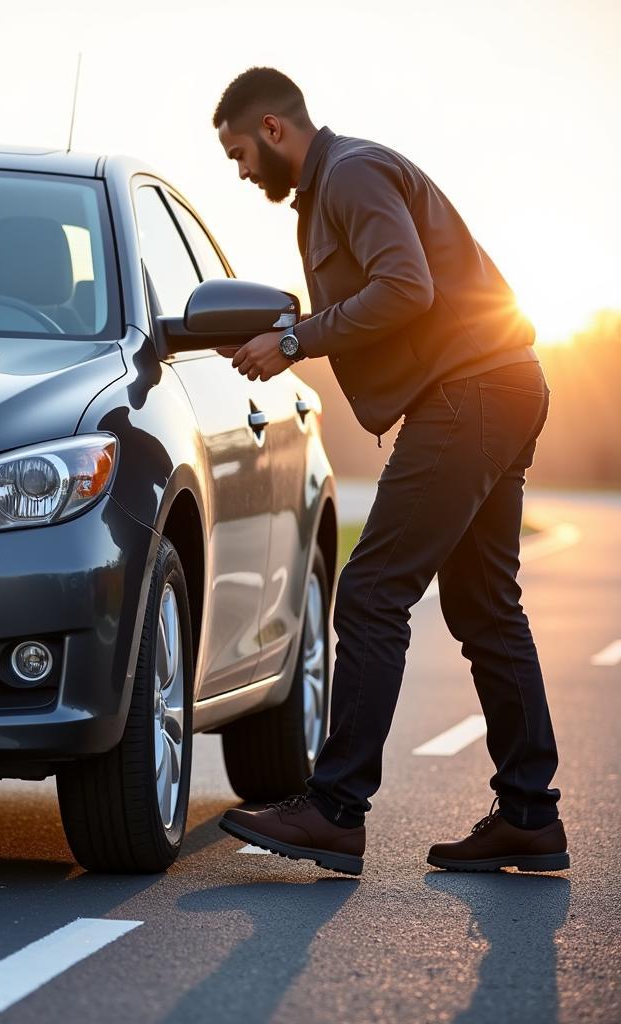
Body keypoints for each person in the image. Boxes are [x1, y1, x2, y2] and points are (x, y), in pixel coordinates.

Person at [211, 67, 568, 877]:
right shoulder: (338, 184)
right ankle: (528, 816)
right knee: (485, 607)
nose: (239, 172)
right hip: (500, 384)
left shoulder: (352, 173)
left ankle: (336, 810)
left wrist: (298, 341)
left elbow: (405, 287)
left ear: (273, 129)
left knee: (373, 591)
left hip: (471, 393)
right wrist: (290, 331)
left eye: (238, 153)